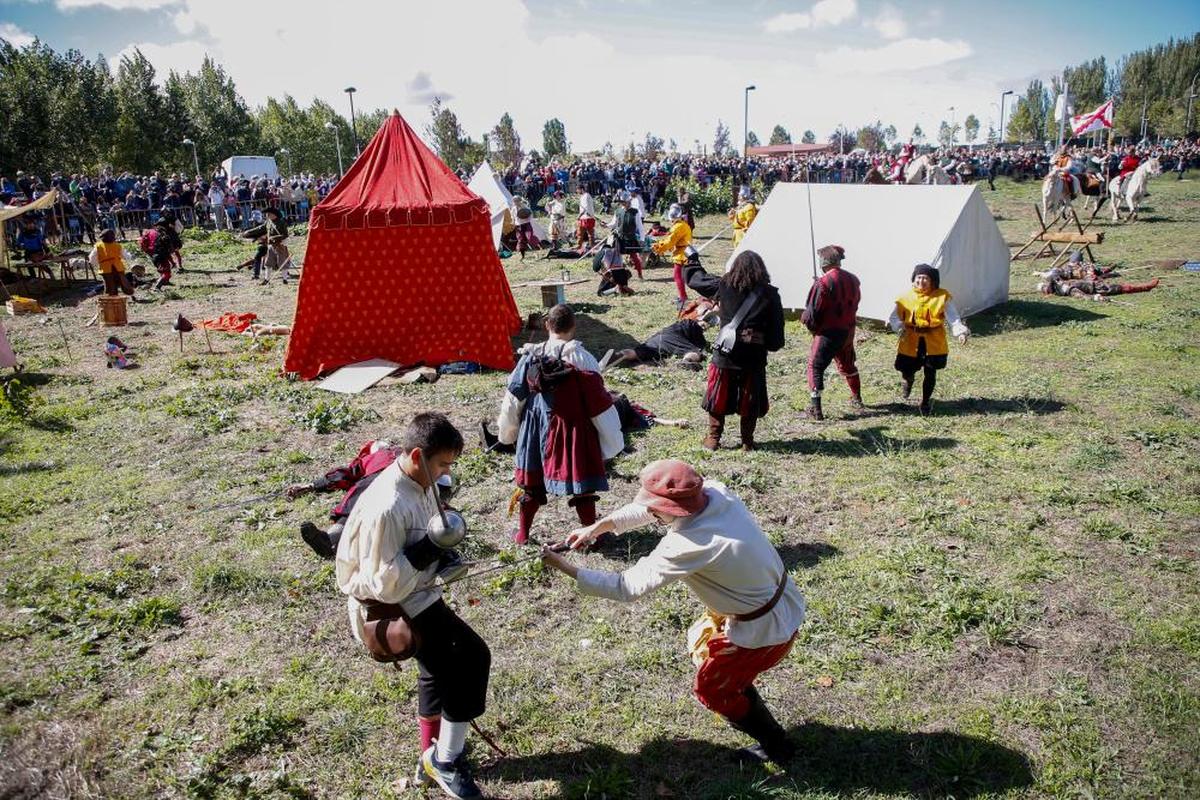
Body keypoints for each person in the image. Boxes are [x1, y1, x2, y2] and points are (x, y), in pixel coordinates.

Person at [540, 459, 805, 766]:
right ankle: (759, 716)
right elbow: (652, 510)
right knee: (721, 669)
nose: (651, 514)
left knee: (713, 689)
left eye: (656, 511)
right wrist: (598, 527)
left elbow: (626, 586)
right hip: (779, 597)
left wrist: (566, 569)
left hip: (764, 628)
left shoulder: (689, 543)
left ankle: (775, 743)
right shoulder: (716, 494)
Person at [335, 413, 490, 799]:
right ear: (418, 456)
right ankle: (444, 761)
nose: (445, 474)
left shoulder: (421, 483)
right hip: (394, 607)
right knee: (469, 661)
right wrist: (429, 550)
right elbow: (385, 586)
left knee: (439, 671)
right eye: (442, 464)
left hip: (418, 593)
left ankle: (430, 755)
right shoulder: (388, 506)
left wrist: (444, 559)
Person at [495, 304, 623, 544]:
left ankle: (523, 535)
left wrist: (508, 433)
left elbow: (513, 399)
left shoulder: (529, 357)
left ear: (547, 326)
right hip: (572, 428)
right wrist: (610, 440)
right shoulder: (583, 359)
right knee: (583, 486)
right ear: (573, 327)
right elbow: (599, 404)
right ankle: (591, 536)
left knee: (531, 486)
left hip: (535, 428)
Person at [684, 251, 785, 451]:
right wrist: (770, 344)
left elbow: (696, 279)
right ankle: (747, 441)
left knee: (718, 395)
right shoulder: (770, 294)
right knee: (750, 397)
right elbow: (776, 332)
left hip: (725, 352)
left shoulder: (723, 285)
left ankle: (713, 439)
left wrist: (692, 259)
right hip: (754, 354)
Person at [888, 264, 969, 416]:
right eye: (919, 277)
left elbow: (953, 317)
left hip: (933, 340)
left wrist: (960, 332)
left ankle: (925, 402)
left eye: (925, 278)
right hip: (910, 340)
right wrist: (899, 327)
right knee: (906, 369)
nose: (921, 281)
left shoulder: (941, 296)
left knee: (930, 372)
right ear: (914, 279)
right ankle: (908, 380)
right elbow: (894, 317)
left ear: (933, 281)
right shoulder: (905, 298)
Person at [799, 245, 863, 420]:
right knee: (848, 365)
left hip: (828, 332)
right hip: (848, 330)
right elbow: (854, 303)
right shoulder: (854, 279)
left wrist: (809, 323)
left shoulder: (823, 283)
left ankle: (816, 409)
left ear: (823, 263)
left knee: (815, 366)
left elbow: (813, 313)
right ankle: (857, 397)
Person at [651, 203, 693, 309]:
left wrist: (658, 248)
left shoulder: (678, 227)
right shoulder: (680, 224)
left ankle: (683, 298)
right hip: (682, 251)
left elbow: (670, 241)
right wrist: (659, 244)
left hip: (682, 253)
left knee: (677, 276)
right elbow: (669, 238)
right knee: (679, 276)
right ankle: (682, 296)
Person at [608, 191, 645, 279]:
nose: (624, 204)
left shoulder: (635, 212)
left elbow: (640, 227)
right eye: (622, 202)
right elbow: (613, 223)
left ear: (629, 202)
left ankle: (640, 274)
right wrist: (606, 224)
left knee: (634, 257)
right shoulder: (618, 211)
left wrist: (642, 239)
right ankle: (619, 275)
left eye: (625, 202)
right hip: (620, 238)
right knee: (617, 257)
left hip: (630, 237)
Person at [89, 228, 134, 297]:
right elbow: (125, 255)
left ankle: (113, 298)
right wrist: (130, 257)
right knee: (124, 283)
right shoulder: (117, 245)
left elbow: (92, 258)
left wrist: (96, 263)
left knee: (111, 286)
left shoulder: (98, 246)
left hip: (106, 269)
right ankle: (129, 294)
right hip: (118, 268)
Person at [150, 209, 183, 290]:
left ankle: (178, 267)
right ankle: (159, 285)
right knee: (166, 265)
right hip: (163, 246)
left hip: (169, 241)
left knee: (174, 253)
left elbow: (180, 228)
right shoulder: (161, 233)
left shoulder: (173, 219)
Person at [576, 184, 596, 250]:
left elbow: (585, 208)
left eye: (578, 190)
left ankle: (592, 247)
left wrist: (579, 216)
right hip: (584, 217)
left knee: (590, 234)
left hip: (587, 217)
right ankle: (579, 246)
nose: (577, 192)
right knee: (580, 233)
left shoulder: (586, 196)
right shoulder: (583, 196)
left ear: (582, 189)